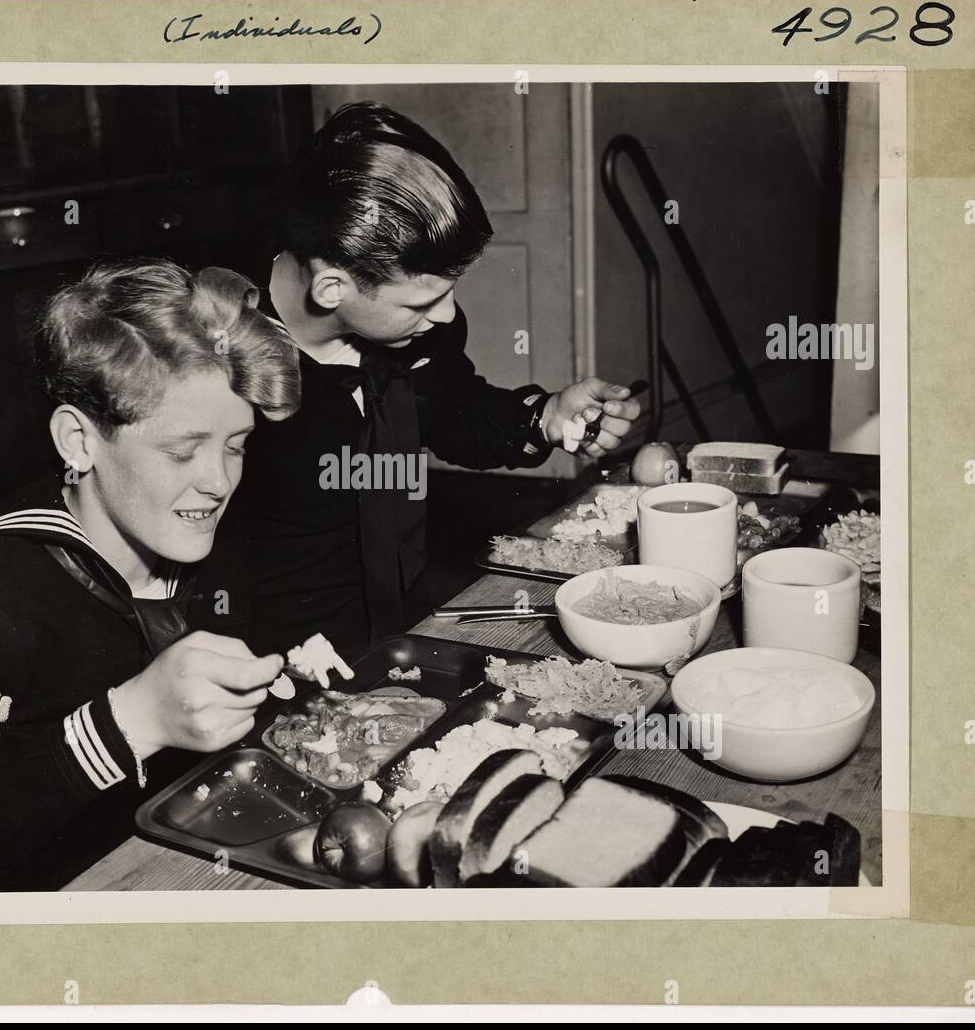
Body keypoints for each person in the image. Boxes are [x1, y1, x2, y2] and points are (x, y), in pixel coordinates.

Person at [0, 260, 300, 892]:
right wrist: (131, 721)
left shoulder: (201, 540)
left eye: (237, 445)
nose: (218, 482)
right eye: (182, 451)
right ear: (78, 441)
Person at [191, 102, 642, 656]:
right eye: (426, 299)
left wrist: (545, 416)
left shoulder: (415, 333)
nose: (449, 316)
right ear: (332, 289)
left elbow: (453, 410)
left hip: (396, 623)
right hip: (265, 650)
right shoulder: (206, 350)